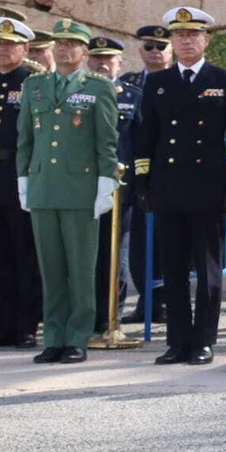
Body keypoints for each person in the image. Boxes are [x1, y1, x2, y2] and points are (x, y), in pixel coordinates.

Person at [132, 8, 226, 366]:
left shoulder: (224, 79)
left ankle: (204, 341)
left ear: (205, 40)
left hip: (208, 188)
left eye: (192, 35)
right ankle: (178, 341)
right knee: (174, 270)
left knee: (208, 269)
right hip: (168, 188)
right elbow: (146, 136)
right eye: (179, 36)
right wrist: (142, 182)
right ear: (173, 42)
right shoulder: (158, 82)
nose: (185, 41)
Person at [20, 20, 119, 364]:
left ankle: (78, 336)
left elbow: (106, 141)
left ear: (84, 51)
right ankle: (54, 336)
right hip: (44, 187)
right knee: (51, 267)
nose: (64, 49)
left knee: (80, 267)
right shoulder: (34, 86)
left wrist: (106, 183)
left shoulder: (98, 87)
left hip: (80, 188)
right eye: (59, 43)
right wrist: (23, 180)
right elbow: (25, 141)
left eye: (71, 44)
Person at [0, 16, 41, 348]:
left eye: (9, 44)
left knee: (25, 254)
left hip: (21, 176)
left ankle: (26, 326)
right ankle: (2, 327)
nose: (2, 50)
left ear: (24, 47)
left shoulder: (35, 83)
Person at [117, 24, 171, 325]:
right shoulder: (128, 82)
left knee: (165, 240)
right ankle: (145, 303)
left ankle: (164, 301)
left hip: (166, 172)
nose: (154, 52)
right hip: (134, 174)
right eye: (148, 47)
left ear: (170, 50)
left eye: (160, 47)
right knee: (138, 243)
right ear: (140, 51)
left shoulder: (179, 81)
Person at [86, 37, 139, 334]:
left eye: (108, 58)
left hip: (121, 190)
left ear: (120, 63)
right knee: (84, 256)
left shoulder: (133, 95)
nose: (102, 63)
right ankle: (86, 315)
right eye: (96, 58)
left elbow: (143, 141)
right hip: (82, 185)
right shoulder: (76, 93)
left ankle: (111, 318)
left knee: (114, 256)